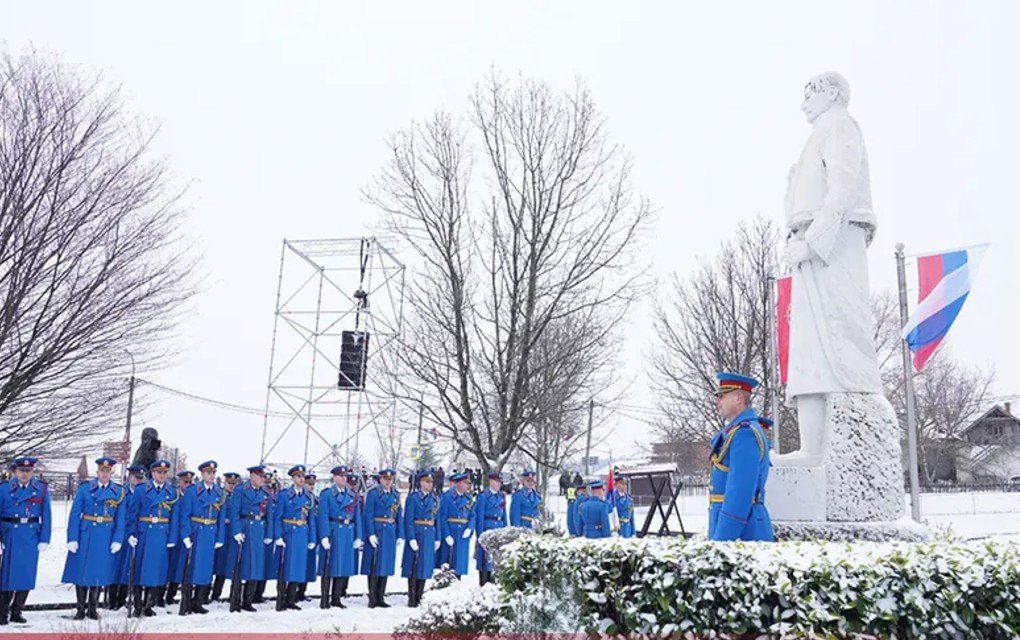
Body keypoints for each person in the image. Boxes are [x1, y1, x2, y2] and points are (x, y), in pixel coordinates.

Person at [778, 72, 883, 468]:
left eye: (810, 94)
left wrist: (813, 243)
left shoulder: (840, 126)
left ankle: (847, 448)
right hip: (809, 249)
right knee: (809, 352)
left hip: (833, 248)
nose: (803, 103)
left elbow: (842, 190)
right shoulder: (818, 134)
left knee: (840, 342)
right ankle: (812, 451)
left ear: (833, 93)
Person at [708, 372, 773, 542]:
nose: (717, 401)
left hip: (742, 533)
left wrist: (721, 541)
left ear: (738, 398)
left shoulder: (745, 434)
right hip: (738, 529)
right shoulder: (737, 431)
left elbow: (739, 495)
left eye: (721, 396)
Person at [62, 457, 127, 620]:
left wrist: (118, 538)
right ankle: (80, 608)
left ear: (112, 473)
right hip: (86, 534)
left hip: (105, 536)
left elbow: (121, 518)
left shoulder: (118, 491)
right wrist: (72, 537)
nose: (104, 474)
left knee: (98, 571)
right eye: (102, 471)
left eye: (108, 471)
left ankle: (93, 608)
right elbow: (75, 514)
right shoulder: (85, 489)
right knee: (81, 572)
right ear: (97, 472)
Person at [0, 456, 52, 626]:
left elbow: (47, 516)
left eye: (28, 471)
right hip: (9, 536)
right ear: (15, 471)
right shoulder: (4, 489)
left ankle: (17, 610)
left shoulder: (41, 489)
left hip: (30, 536)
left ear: (32, 472)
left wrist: (44, 538)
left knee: (26, 575)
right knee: (6, 576)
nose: (24, 474)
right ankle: (2, 611)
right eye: (21, 471)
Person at [127, 459, 179, 617]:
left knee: (155, 570)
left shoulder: (172, 492)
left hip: (161, 534)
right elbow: (132, 514)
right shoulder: (141, 490)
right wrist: (131, 533)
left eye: (164, 472)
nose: (162, 475)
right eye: (158, 472)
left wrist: (172, 537)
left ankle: (148, 605)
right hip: (144, 534)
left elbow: (174, 517)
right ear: (152, 473)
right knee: (139, 570)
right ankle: (137, 605)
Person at [176, 460, 227, 615]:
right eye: (208, 473)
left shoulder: (220, 493)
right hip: (196, 531)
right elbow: (184, 515)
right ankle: (186, 601)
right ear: (202, 474)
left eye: (213, 473)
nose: (211, 476)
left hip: (210, 532)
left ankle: (199, 601)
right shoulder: (193, 491)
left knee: (205, 569)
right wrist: (185, 535)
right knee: (191, 568)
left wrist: (220, 537)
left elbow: (221, 517)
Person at [226, 464, 273, 613]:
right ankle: (235, 601)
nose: (262, 479)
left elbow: (269, 515)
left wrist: (269, 534)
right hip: (245, 528)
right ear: (252, 476)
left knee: (255, 566)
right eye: (260, 476)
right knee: (240, 566)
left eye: (263, 477)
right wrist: (237, 530)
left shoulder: (265, 493)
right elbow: (234, 512)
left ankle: (248, 600)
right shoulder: (241, 491)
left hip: (258, 529)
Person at [317, 465, 363, 609]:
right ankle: (325, 598)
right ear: (334, 477)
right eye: (341, 476)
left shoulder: (351, 495)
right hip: (334, 530)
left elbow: (357, 517)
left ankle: (336, 598)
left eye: (345, 476)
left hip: (347, 531)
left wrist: (358, 535)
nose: (344, 478)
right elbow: (323, 516)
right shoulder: (327, 494)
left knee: (342, 565)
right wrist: (324, 535)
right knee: (329, 565)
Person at [273, 465, 317, 611]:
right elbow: (278, 517)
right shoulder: (284, 495)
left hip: (302, 532)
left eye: (302, 476)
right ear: (293, 478)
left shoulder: (308, 497)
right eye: (298, 476)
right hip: (288, 532)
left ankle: (291, 599)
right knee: (285, 567)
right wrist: (278, 536)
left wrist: (312, 538)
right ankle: (281, 598)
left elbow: (311, 519)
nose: (301, 479)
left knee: (298, 566)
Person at [361, 467, 401, 609]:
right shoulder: (373, 494)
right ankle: (372, 597)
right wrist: (370, 533)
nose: (388, 482)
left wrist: (400, 534)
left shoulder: (396, 495)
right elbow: (368, 515)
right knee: (374, 564)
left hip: (390, 531)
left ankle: (381, 596)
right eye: (385, 479)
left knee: (386, 564)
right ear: (380, 480)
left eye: (390, 479)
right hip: (377, 530)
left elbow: (398, 515)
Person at [109, 465, 146, 611]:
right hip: (118, 533)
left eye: (140, 478)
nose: (138, 480)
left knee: (127, 568)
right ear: (129, 477)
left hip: (133, 534)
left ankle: (122, 598)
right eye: (136, 477)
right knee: (115, 567)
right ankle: (112, 599)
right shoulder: (121, 492)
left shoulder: (143, 493)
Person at [402, 470, 439, 607]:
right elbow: (408, 519)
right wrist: (410, 537)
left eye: (431, 482)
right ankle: (412, 597)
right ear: (421, 483)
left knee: (424, 566)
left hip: (429, 533)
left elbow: (437, 519)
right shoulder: (413, 498)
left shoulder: (434, 498)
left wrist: (438, 537)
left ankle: (420, 595)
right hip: (417, 533)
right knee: (413, 565)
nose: (429, 485)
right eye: (427, 482)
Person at [209, 471, 241, 603]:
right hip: (219, 533)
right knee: (215, 565)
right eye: (229, 483)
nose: (232, 486)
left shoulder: (238, 496)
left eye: (234, 483)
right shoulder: (219, 495)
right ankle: (210, 594)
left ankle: (224, 594)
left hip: (233, 535)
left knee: (229, 565)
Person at [165, 469, 195, 606]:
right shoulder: (175, 495)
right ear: (180, 482)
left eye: (190, 482)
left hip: (187, 535)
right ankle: (164, 595)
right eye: (185, 481)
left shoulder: (193, 495)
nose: (188, 484)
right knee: (171, 566)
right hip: (174, 536)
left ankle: (179, 595)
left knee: (182, 567)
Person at [437, 471, 474, 579]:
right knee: (449, 564)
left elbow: (473, 515)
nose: (467, 485)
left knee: (460, 565)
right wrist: (446, 534)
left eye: (468, 483)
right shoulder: (447, 497)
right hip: (451, 531)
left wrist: (470, 528)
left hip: (463, 533)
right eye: (465, 483)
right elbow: (442, 518)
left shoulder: (468, 498)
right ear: (459, 484)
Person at [473, 471, 506, 586]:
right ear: (491, 482)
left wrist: (505, 532)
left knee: (495, 562)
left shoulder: (501, 496)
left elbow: (504, 516)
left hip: (499, 530)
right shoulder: (483, 497)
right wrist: (480, 536)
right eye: (497, 482)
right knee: (485, 561)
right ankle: (483, 584)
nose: (499, 484)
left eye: (500, 482)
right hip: (487, 529)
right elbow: (479, 518)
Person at [297, 471, 319, 603]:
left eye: (313, 484)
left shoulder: (314, 499)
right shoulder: (301, 498)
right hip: (300, 533)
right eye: (308, 483)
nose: (311, 486)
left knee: (308, 564)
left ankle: (302, 591)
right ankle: (293, 591)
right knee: (298, 563)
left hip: (311, 533)